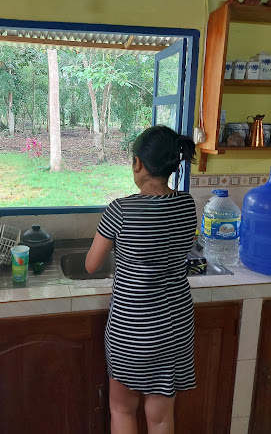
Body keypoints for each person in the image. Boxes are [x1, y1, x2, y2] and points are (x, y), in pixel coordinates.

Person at [86, 125, 197, 434]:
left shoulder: (120, 209)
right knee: (161, 417)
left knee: (122, 409)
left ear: (138, 164)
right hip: (175, 327)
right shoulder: (187, 205)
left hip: (134, 328)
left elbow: (92, 264)